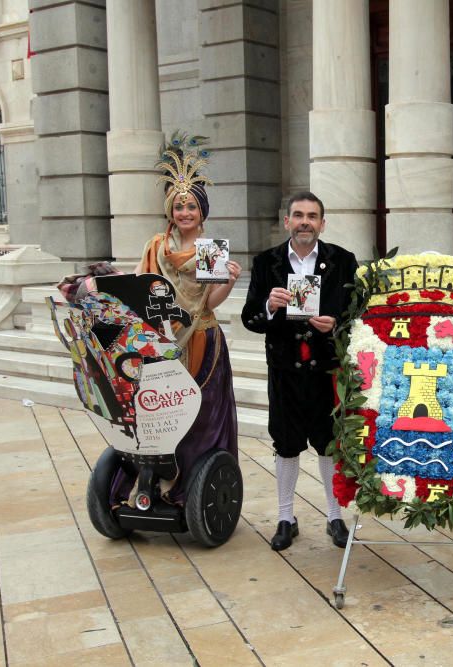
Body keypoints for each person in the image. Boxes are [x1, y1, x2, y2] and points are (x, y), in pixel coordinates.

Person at [241, 192, 358, 551]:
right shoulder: (267, 263)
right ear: (287, 221)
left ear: (322, 223)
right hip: (284, 371)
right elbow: (249, 318)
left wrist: (336, 324)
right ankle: (285, 517)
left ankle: (334, 516)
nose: (305, 221)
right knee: (286, 444)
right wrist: (269, 306)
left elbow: (358, 312)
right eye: (298, 215)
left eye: (312, 216)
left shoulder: (343, 260)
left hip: (327, 369)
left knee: (327, 444)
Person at [133, 140, 241, 501]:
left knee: (198, 415)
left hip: (201, 342)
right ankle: (155, 479)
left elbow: (209, 304)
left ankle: (190, 487)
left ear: (202, 211)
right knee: (161, 415)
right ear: (170, 210)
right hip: (161, 344)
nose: (184, 212)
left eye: (191, 205)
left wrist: (228, 281)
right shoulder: (155, 247)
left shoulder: (210, 251)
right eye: (178, 206)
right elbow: (136, 286)